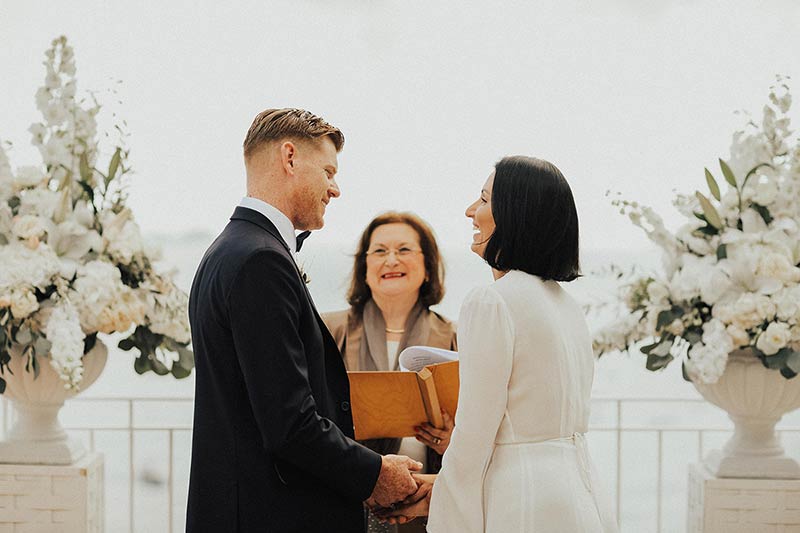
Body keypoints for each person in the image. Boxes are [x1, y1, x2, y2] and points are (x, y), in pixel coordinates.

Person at [186, 108, 422, 533]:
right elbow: (289, 424)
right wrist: (374, 475)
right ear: (290, 158)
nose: (336, 189)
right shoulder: (261, 260)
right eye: (329, 171)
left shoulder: (227, 251)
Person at [381, 156, 618, 532]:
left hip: (520, 504)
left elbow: (475, 438)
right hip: (580, 498)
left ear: (514, 214)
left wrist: (445, 516)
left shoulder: (492, 300)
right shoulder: (566, 306)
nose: (471, 211)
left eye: (484, 200)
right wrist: (440, 489)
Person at [323, 212, 458, 533]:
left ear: (428, 266)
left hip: (424, 506)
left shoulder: (455, 336)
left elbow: (480, 427)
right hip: (346, 498)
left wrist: (453, 441)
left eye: (405, 250)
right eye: (380, 251)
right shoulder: (328, 331)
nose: (391, 260)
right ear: (364, 268)